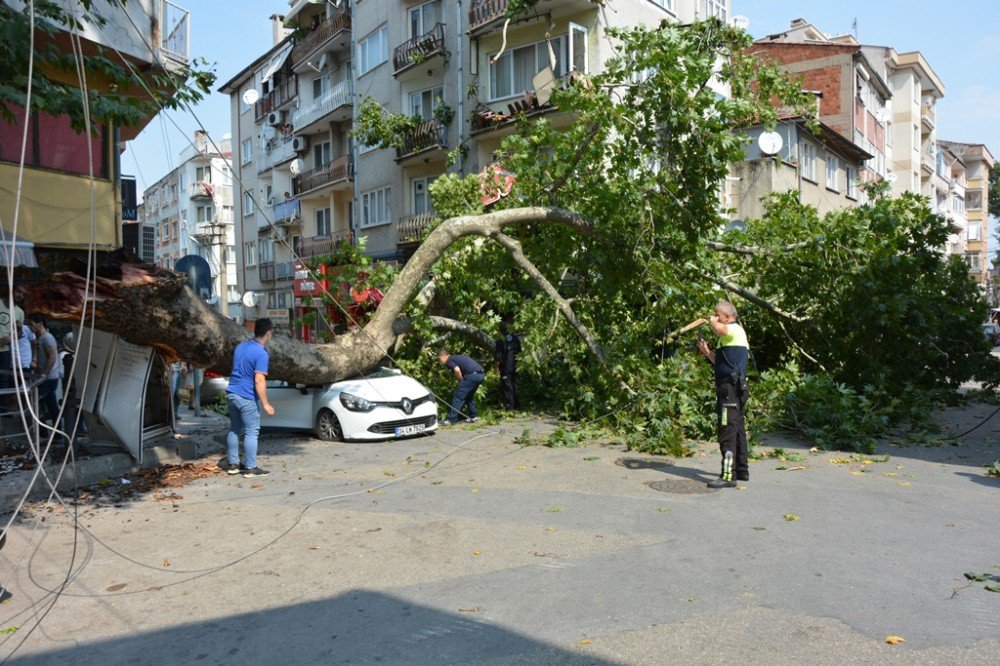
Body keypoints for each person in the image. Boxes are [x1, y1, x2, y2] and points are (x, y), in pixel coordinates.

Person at [696, 301, 750, 489]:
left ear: (727, 317)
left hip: (730, 390)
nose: (715, 318)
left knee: (726, 432)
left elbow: (719, 328)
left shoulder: (734, 329)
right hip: (735, 389)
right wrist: (706, 352)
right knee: (737, 431)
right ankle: (742, 470)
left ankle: (728, 475)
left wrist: (712, 321)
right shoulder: (729, 339)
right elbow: (720, 362)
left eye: (718, 315)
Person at [224, 318, 275, 478]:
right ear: (268, 333)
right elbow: (259, 379)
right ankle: (250, 468)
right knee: (252, 431)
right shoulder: (261, 353)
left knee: (234, 429)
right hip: (246, 396)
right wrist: (266, 404)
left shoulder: (241, 347)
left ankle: (233, 464)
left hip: (232, 392)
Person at [27, 313, 59, 426]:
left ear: (40, 324)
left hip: (48, 378)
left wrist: (44, 374)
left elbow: (53, 357)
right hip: (46, 377)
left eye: (31, 324)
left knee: (36, 403)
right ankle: (57, 434)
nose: (30, 327)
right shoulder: (40, 338)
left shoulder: (47, 338)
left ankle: (44, 434)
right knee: (51, 405)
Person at [438, 348, 485, 425]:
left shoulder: (449, 360)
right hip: (480, 374)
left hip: (471, 375)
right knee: (469, 396)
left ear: (443, 356)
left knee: (458, 396)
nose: (440, 362)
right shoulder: (456, 357)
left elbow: (457, 370)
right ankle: (473, 416)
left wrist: (460, 381)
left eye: (439, 359)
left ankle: (450, 420)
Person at [0, 284, 24, 395]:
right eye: (18, 291)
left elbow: (20, 332)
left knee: (3, 379)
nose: (20, 295)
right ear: (11, 291)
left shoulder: (19, 312)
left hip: (4, 350)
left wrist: (12, 337)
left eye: (23, 294)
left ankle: (3, 410)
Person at [494, 321, 521, 410]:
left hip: (506, 367)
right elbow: (520, 352)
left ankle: (510, 407)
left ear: (500, 329)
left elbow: (498, 356)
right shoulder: (515, 338)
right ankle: (517, 406)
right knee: (515, 385)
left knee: (507, 387)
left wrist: (496, 368)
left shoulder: (500, 340)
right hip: (516, 365)